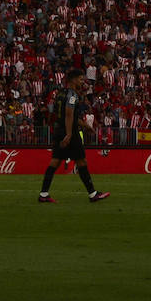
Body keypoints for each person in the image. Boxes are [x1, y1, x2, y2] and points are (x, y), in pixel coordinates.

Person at [38, 68, 110, 203]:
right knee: (81, 161)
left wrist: (85, 125)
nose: (82, 82)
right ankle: (93, 193)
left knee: (55, 161)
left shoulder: (60, 93)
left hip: (59, 130)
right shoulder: (72, 95)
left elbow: (68, 115)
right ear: (73, 80)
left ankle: (43, 194)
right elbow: (69, 114)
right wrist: (70, 134)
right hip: (69, 132)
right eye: (81, 79)